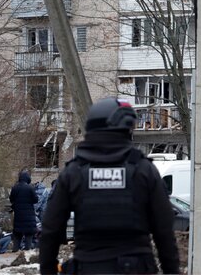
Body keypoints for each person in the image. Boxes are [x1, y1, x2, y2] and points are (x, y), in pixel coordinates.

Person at [38, 97, 179, 275]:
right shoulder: (144, 170)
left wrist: (48, 271)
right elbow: (164, 231)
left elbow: (50, 231)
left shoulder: (74, 173)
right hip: (136, 268)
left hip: (88, 267)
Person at [9, 170, 38, 252]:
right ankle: (27, 251)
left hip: (18, 215)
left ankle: (15, 249)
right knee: (29, 234)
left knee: (17, 234)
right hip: (29, 216)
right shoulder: (30, 188)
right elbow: (36, 200)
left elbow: (11, 199)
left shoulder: (15, 187)